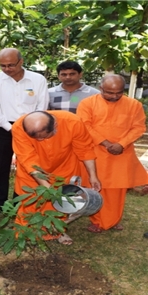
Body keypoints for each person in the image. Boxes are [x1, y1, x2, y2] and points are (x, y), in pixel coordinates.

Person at [13, 110, 101, 245]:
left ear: (55, 126)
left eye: (44, 136)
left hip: (63, 167)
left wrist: (93, 176)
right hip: (33, 171)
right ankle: (27, 232)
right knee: (30, 201)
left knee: (61, 202)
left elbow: (85, 149)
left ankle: (57, 231)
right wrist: (46, 187)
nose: (40, 141)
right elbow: (27, 159)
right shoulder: (19, 127)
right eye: (36, 138)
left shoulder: (73, 122)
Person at [77, 74, 148, 233]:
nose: (114, 96)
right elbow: (84, 125)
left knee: (117, 189)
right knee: (96, 186)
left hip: (121, 153)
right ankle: (97, 220)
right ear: (101, 88)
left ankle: (114, 219)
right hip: (96, 152)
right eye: (109, 92)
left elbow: (138, 127)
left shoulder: (134, 105)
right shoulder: (88, 103)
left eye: (118, 92)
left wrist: (121, 144)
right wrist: (106, 143)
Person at [0, 48, 49, 210]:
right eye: (2, 66)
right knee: (0, 165)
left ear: (21, 61)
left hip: (31, 128)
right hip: (4, 127)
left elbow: (42, 104)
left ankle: (22, 200)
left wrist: (34, 126)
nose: (7, 69)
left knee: (28, 164)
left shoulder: (37, 79)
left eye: (11, 65)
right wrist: (8, 127)